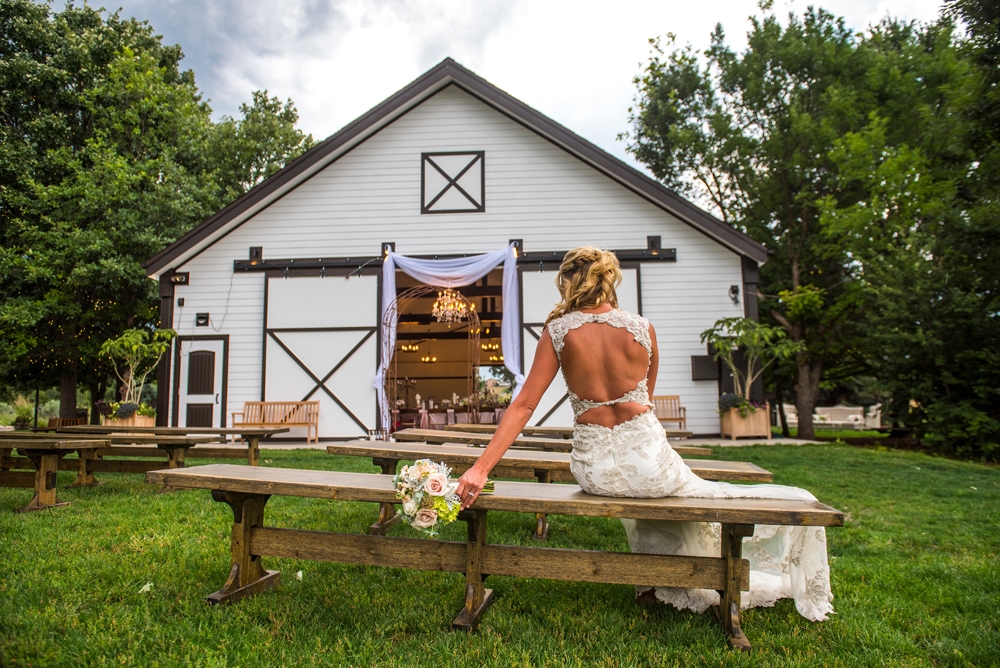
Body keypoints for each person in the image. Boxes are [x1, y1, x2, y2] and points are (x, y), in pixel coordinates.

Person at [456, 246, 834, 622]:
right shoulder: (642, 327)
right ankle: (669, 578)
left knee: (634, 483)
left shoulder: (558, 331)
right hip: (650, 464)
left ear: (569, 280)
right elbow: (646, 402)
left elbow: (523, 405)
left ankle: (652, 582)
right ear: (608, 280)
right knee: (668, 483)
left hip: (594, 473)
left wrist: (480, 470)